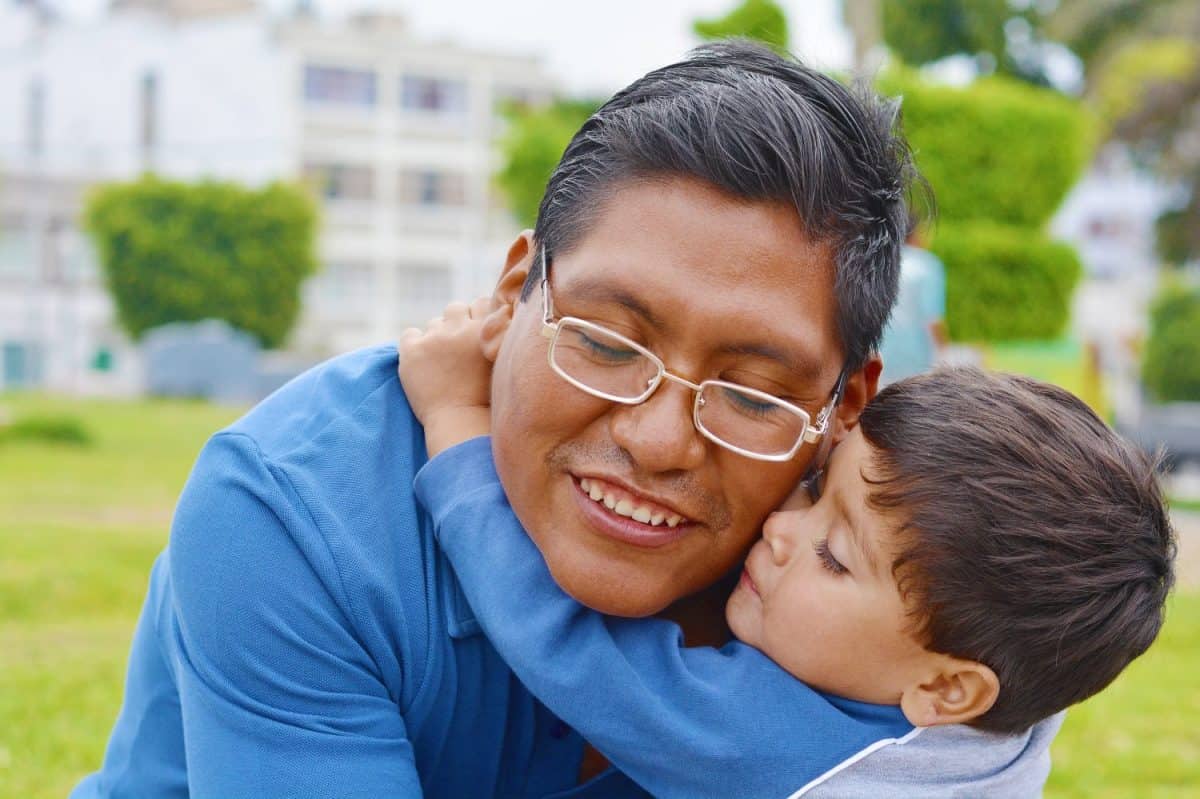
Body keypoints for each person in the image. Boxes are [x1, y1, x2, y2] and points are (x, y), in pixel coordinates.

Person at [71, 41, 1043, 797]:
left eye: (750, 393)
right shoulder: (295, 514)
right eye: (608, 343)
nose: (659, 439)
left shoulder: (884, 578)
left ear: (842, 408)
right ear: (510, 294)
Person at [398, 301, 1175, 798]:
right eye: (812, 485)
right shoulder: (1007, 701)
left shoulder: (786, 754)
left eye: (834, 555)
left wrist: (456, 419)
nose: (779, 528)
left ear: (946, 690)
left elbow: (563, 642)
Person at [877, 220, 947, 384]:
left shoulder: (881, 261)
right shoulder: (927, 264)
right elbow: (932, 318)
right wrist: (943, 351)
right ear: (915, 235)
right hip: (917, 354)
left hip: (881, 353)